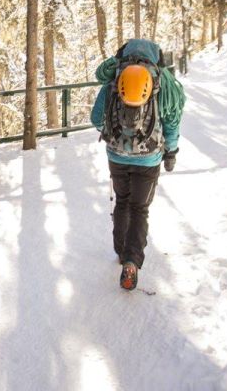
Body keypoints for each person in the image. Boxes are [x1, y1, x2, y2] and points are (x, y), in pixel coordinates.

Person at [90, 39, 185, 291]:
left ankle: (121, 250)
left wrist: (112, 135)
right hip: (149, 158)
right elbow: (172, 121)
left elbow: (96, 118)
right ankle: (132, 261)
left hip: (116, 156)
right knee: (140, 208)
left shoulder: (114, 80)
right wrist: (171, 151)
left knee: (122, 202)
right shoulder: (162, 82)